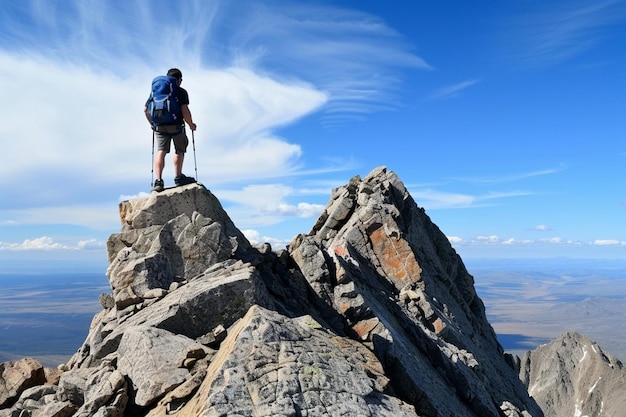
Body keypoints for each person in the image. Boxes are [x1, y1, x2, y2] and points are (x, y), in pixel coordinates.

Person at [144, 68, 197, 192]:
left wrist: (153, 124)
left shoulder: (156, 91)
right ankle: (178, 177)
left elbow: (145, 110)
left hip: (159, 126)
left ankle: (158, 181)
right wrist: (191, 125)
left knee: (161, 150)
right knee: (179, 149)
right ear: (179, 80)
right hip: (176, 125)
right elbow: (185, 111)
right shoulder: (180, 91)